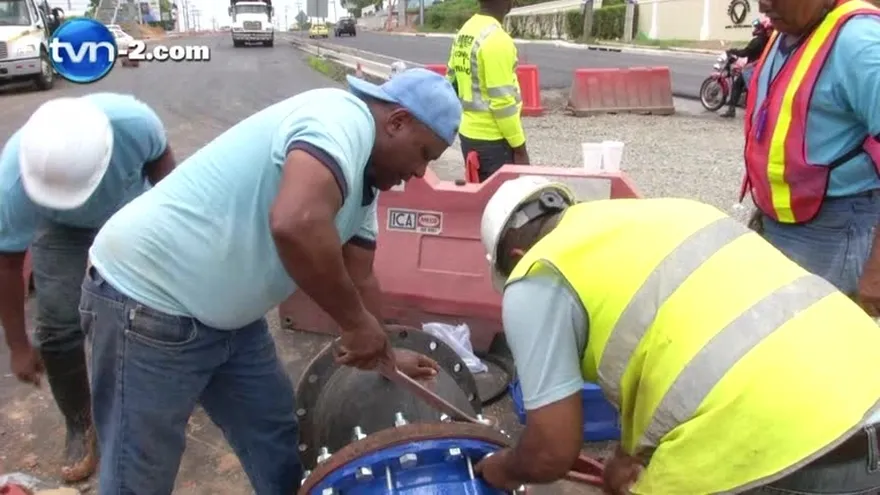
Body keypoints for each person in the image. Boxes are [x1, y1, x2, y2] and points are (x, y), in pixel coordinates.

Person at [78, 68, 461, 494]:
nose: (419, 170)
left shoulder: (363, 184)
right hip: (148, 301)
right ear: (397, 122)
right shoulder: (340, 118)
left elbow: (361, 276)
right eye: (424, 152)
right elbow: (296, 223)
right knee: (139, 474)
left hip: (231, 320)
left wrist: (385, 352)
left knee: (278, 443)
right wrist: (355, 325)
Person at [473, 176, 880, 494]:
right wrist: (628, 454)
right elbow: (682, 346)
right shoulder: (672, 213)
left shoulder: (538, 273)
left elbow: (550, 452)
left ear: (515, 257)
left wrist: (495, 469)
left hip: (797, 443)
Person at [0, 93, 176, 482]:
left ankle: (160, 394)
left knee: (156, 310)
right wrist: (17, 345)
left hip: (132, 213)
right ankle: (80, 424)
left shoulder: (134, 122)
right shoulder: (12, 180)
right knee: (58, 327)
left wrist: (171, 222)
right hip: (59, 231)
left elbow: (163, 164)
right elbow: (8, 263)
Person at [741, 0, 880, 316]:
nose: (765, 4)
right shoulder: (787, 28)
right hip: (779, 219)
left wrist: (878, 266)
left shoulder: (860, 43)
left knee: (819, 344)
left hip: (833, 226)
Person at [446, 0, 529, 182]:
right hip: (494, 140)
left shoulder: (465, 32)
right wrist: (519, 148)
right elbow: (502, 104)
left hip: (468, 134)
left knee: (480, 198)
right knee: (501, 203)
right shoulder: (497, 40)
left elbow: (451, 81)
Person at [720, 16, 772, 118]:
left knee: (737, 85)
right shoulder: (769, 41)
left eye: (758, 27)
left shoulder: (757, 41)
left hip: (753, 68)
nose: (756, 29)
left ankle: (731, 110)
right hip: (762, 68)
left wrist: (733, 51)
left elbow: (745, 52)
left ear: (762, 29)